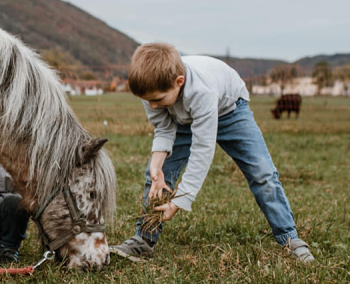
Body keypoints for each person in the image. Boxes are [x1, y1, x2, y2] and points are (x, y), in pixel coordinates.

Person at [110, 43, 314, 263]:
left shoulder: (201, 91)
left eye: (157, 100)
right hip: (182, 118)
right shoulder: (153, 88)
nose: (152, 106)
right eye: (148, 101)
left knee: (262, 173)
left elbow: (202, 150)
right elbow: (164, 129)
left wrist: (179, 201)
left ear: (179, 82)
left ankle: (289, 239)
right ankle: (143, 241)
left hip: (230, 111)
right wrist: (156, 165)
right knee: (158, 176)